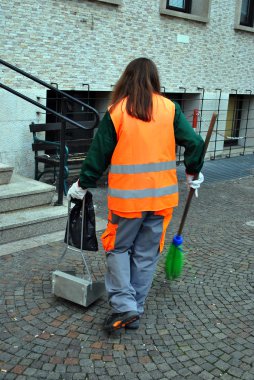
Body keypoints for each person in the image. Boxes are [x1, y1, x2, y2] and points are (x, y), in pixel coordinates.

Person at [67, 57, 205, 332]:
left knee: (118, 249)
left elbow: (99, 153)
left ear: (126, 78)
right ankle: (134, 309)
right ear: (154, 79)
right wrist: (192, 173)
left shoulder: (117, 111)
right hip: (161, 200)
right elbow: (195, 143)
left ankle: (125, 307)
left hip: (128, 202)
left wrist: (82, 183)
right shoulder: (170, 109)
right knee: (146, 254)